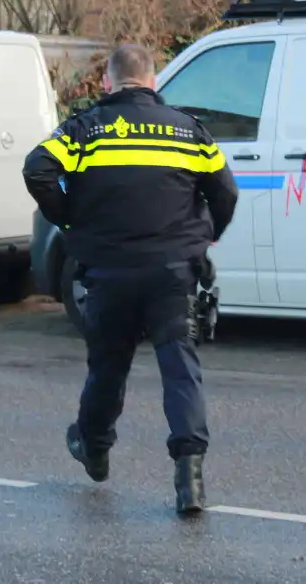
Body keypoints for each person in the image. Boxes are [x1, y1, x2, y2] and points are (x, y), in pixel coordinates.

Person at [22, 43, 239, 514]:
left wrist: (69, 221)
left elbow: (37, 169)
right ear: (154, 81)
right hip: (171, 274)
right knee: (180, 369)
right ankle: (190, 479)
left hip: (109, 272)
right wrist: (205, 237)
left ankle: (94, 448)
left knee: (108, 366)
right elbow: (225, 190)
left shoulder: (84, 130)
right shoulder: (188, 131)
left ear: (107, 82)